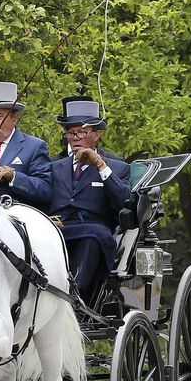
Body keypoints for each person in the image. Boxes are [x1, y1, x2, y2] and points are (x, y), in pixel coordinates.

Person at [47, 96, 132, 307]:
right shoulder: (54, 166)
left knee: (95, 235)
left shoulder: (117, 167)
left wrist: (100, 166)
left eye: (81, 132)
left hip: (93, 230)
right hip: (58, 228)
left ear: (97, 134)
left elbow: (123, 202)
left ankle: (74, 295)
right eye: (70, 132)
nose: (75, 138)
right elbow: (41, 197)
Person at [0, 81, 51, 210]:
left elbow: (45, 190)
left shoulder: (34, 146)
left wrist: (13, 177)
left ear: (14, 118)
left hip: (11, 215)